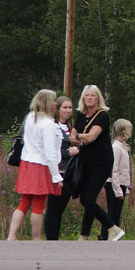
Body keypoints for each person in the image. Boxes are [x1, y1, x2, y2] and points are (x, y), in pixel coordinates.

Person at [70, 85, 125, 241]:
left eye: (92, 95)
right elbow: (72, 137)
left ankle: (84, 236)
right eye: (87, 95)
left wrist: (79, 137)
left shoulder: (102, 115)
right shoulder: (81, 115)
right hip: (85, 161)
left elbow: (91, 137)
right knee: (85, 199)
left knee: (89, 198)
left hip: (101, 162)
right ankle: (112, 228)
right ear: (83, 98)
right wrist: (81, 137)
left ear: (98, 98)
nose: (89, 98)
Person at [7, 89, 63, 241]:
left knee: (24, 202)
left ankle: (12, 235)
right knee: (38, 204)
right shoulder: (48, 124)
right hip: (40, 164)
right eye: (53, 101)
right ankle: (36, 237)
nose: (55, 104)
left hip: (27, 162)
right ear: (47, 103)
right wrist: (56, 175)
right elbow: (50, 152)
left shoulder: (31, 117)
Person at [43, 95, 75, 240]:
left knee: (60, 208)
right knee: (53, 208)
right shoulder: (53, 126)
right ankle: (51, 239)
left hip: (70, 171)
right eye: (65, 107)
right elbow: (50, 150)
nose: (68, 111)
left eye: (70, 108)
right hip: (57, 171)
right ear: (58, 109)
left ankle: (55, 238)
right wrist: (68, 153)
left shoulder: (72, 128)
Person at [99, 119, 132, 241]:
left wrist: (126, 188)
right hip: (113, 184)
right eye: (129, 130)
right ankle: (105, 235)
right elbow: (114, 169)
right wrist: (118, 190)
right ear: (124, 132)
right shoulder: (116, 148)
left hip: (121, 183)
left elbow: (126, 170)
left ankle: (114, 236)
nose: (130, 132)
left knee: (117, 212)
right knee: (112, 211)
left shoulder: (123, 147)